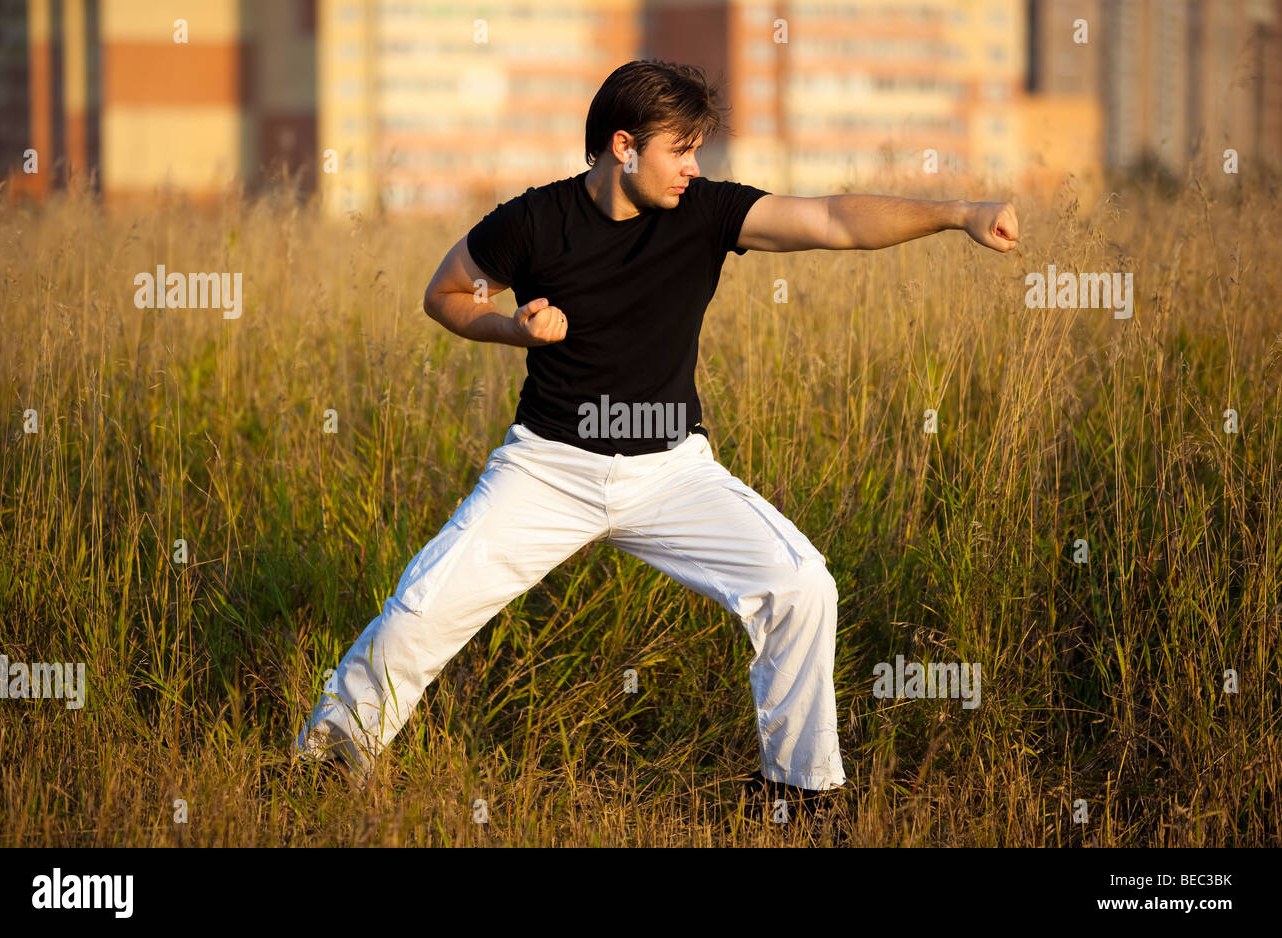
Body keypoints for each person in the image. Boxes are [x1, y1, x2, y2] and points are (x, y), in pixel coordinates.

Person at [295, 60, 1018, 808]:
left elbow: (832, 219)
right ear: (624, 146)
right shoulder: (532, 223)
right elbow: (445, 294)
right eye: (681, 150)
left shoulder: (703, 212)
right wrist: (512, 328)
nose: (694, 168)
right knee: (420, 610)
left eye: (699, 150)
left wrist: (958, 213)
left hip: (672, 472)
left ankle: (798, 796)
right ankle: (323, 769)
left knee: (801, 585)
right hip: (548, 469)